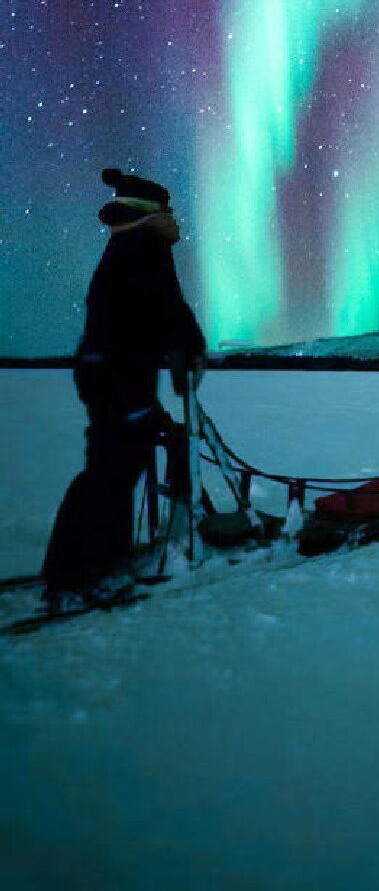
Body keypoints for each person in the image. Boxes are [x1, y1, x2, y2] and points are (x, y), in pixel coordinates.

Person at [41, 167, 206, 605]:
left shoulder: (125, 245)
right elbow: (165, 306)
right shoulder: (143, 246)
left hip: (108, 375)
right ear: (154, 209)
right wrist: (188, 348)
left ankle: (82, 564)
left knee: (107, 469)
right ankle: (85, 573)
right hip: (121, 378)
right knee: (112, 475)